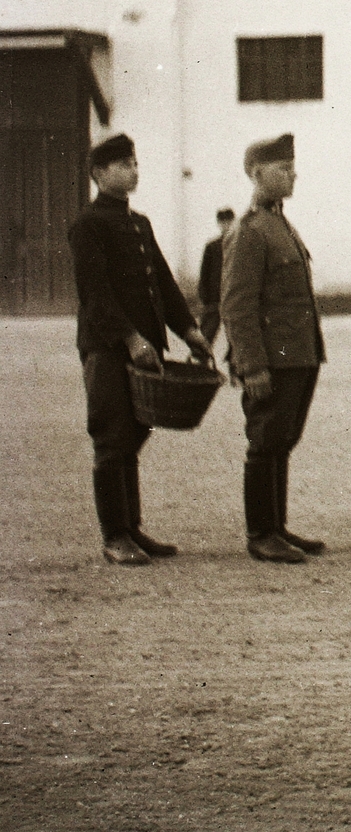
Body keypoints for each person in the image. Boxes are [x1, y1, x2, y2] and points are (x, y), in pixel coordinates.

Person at [67, 133, 214, 566]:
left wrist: (189, 330)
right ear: (98, 174)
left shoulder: (139, 223)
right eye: (123, 164)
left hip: (144, 349)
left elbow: (164, 284)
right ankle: (115, 537)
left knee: (134, 435)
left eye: (134, 162)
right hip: (108, 348)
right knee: (111, 437)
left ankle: (132, 528)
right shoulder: (88, 225)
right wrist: (130, 339)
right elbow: (95, 295)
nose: (134, 170)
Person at [221, 134, 326, 564]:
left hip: (299, 354)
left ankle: (277, 526)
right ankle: (260, 533)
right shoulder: (249, 231)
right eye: (282, 168)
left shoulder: (280, 225)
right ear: (255, 174)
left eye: (292, 166)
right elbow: (237, 304)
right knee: (265, 440)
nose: (292, 173)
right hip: (273, 358)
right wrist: (252, 366)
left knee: (283, 438)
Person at [197, 206, 235, 347]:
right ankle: (200, 362)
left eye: (229, 221)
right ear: (219, 223)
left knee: (236, 338)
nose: (226, 225)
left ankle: (236, 366)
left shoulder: (239, 245)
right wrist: (205, 298)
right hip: (214, 300)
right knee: (205, 336)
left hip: (233, 298)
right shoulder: (212, 246)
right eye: (223, 222)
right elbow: (204, 274)